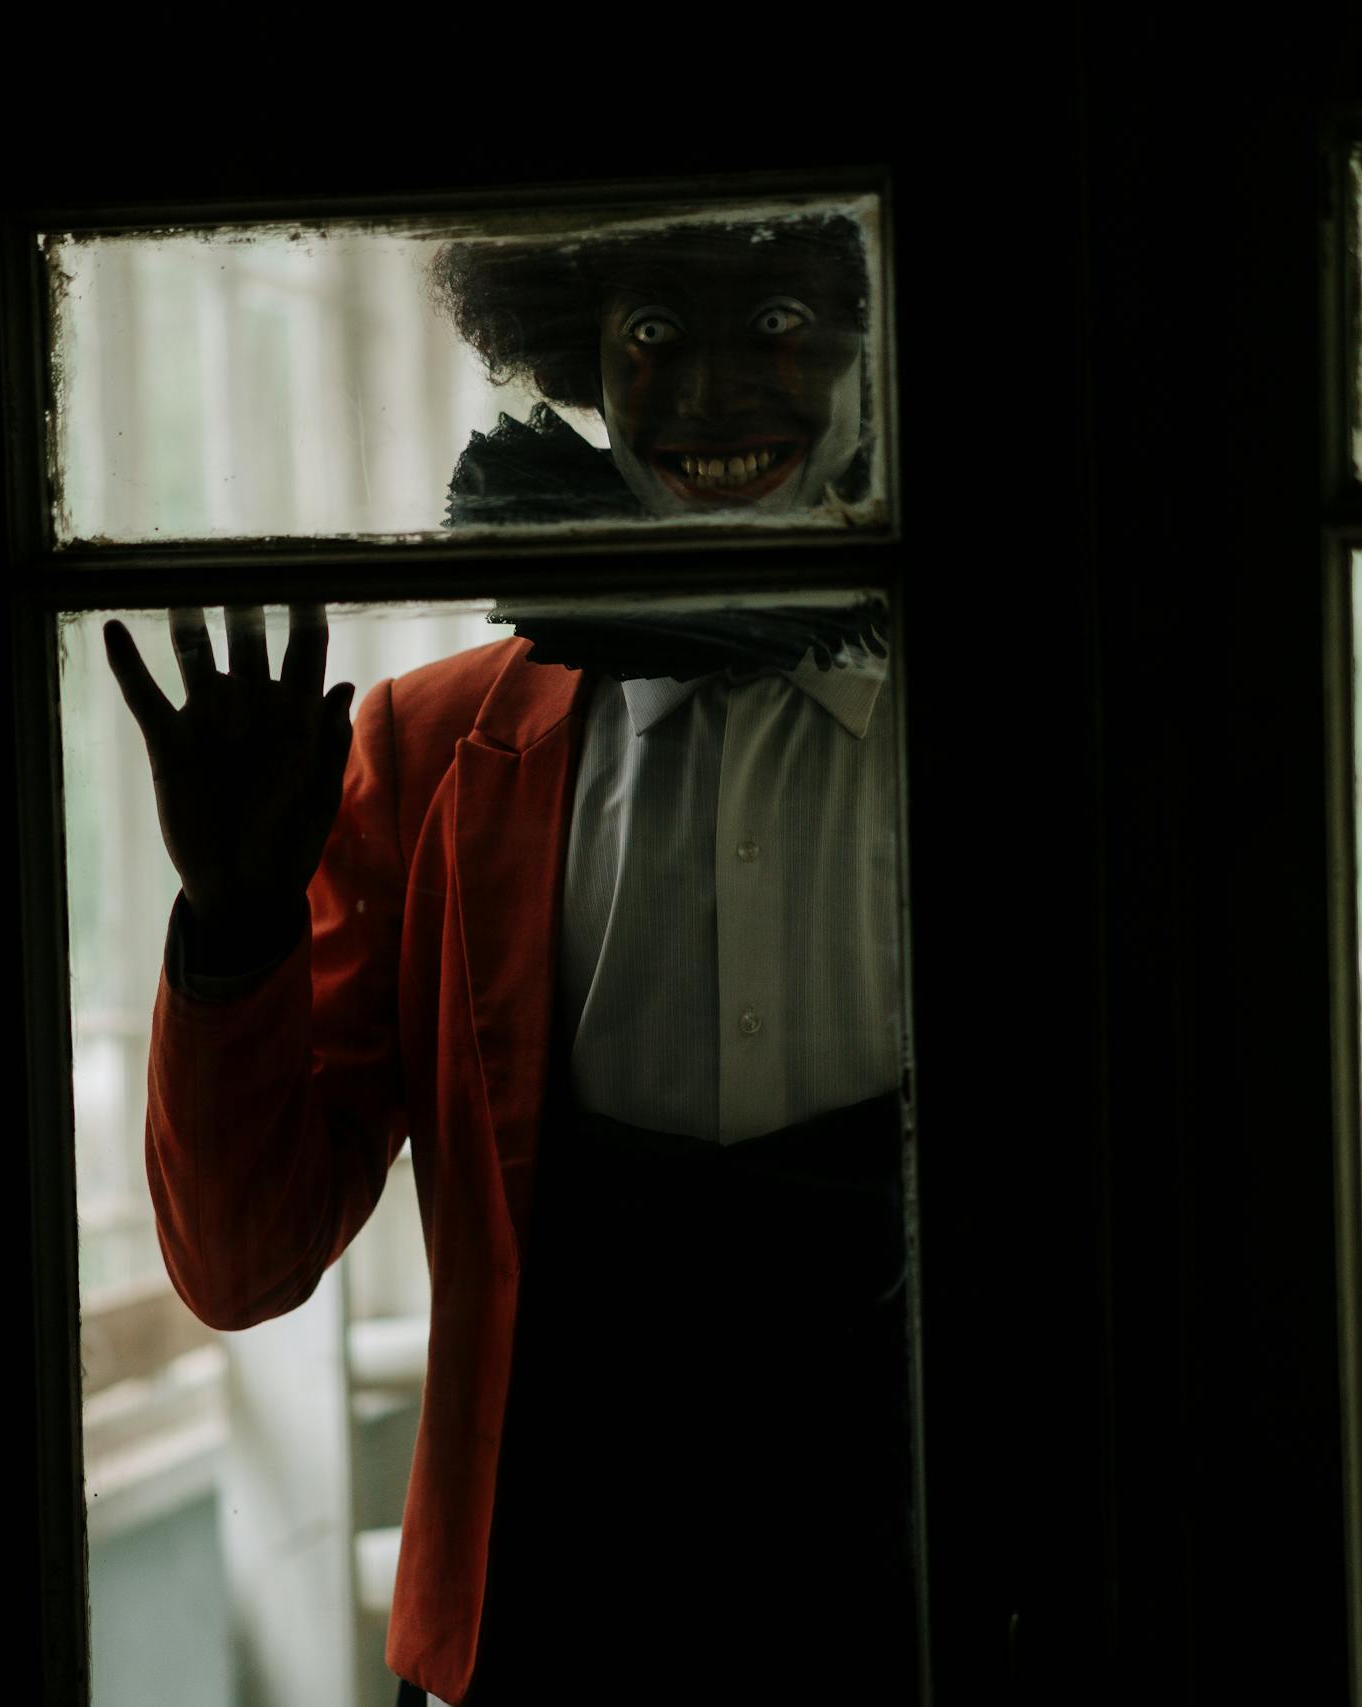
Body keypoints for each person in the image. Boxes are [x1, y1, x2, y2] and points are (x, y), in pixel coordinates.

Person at [106, 210, 911, 1706]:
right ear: (586, 362)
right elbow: (241, 1262)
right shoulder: (427, 751)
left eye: (785, 320)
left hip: (928, 1598)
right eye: (661, 332)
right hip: (550, 1621)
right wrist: (232, 929)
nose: (721, 389)